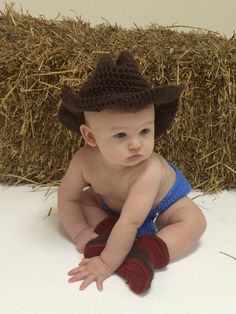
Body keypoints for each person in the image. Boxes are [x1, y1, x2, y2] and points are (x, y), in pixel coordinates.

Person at [57, 51, 207, 294]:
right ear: (90, 137)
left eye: (145, 131)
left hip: (162, 202)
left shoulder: (148, 169)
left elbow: (131, 221)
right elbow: (67, 197)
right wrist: (81, 234)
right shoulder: (84, 159)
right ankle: (105, 234)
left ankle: (147, 252)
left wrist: (105, 264)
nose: (136, 144)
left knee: (194, 221)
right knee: (86, 200)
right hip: (113, 205)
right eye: (121, 135)